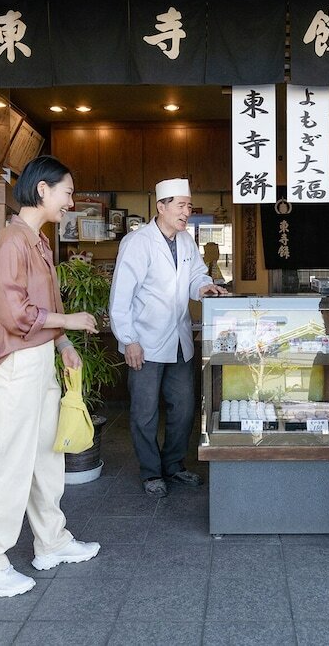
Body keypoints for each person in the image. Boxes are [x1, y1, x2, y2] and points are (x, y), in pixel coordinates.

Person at [0, 155, 102, 598]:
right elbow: (11, 312)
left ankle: (51, 542)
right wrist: (72, 321)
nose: (70, 202)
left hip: (38, 359)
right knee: (10, 464)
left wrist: (62, 343)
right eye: (67, 192)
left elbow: (38, 309)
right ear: (42, 190)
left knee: (46, 456)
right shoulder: (13, 241)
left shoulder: (35, 240)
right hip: (16, 366)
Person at [109, 178, 228, 497]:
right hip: (144, 342)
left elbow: (195, 277)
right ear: (160, 207)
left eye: (189, 205)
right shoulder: (138, 242)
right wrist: (128, 338)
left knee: (184, 407)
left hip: (179, 339)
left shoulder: (187, 242)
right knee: (145, 411)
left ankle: (174, 465)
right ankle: (151, 472)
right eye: (181, 205)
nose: (187, 211)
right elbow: (120, 295)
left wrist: (204, 287)